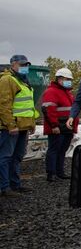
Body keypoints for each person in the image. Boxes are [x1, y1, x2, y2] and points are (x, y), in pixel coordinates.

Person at [0, 55, 38, 197]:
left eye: (26, 65)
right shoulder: (7, 80)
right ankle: (4, 187)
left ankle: (15, 184)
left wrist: (31, 123)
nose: (25, 67)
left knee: (17, 157)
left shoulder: (23, 80)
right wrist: (11, 125)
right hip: (11, 128)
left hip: (22, 126)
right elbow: (4, 105)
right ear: (13, 65)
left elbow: (28, 105)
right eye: (22, 65)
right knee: (5, 156)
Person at [41, 68, 78, 182]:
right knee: (54, 149)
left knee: (62, 150)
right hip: (58, 126)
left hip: (67, 127)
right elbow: (48, 110)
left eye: (70, 80)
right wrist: (54, 126)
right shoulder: (51, 91)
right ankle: (51, 173)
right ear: (60, 79)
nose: (69, 82)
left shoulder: (67, 93)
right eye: (67, 79)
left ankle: (59, 172)